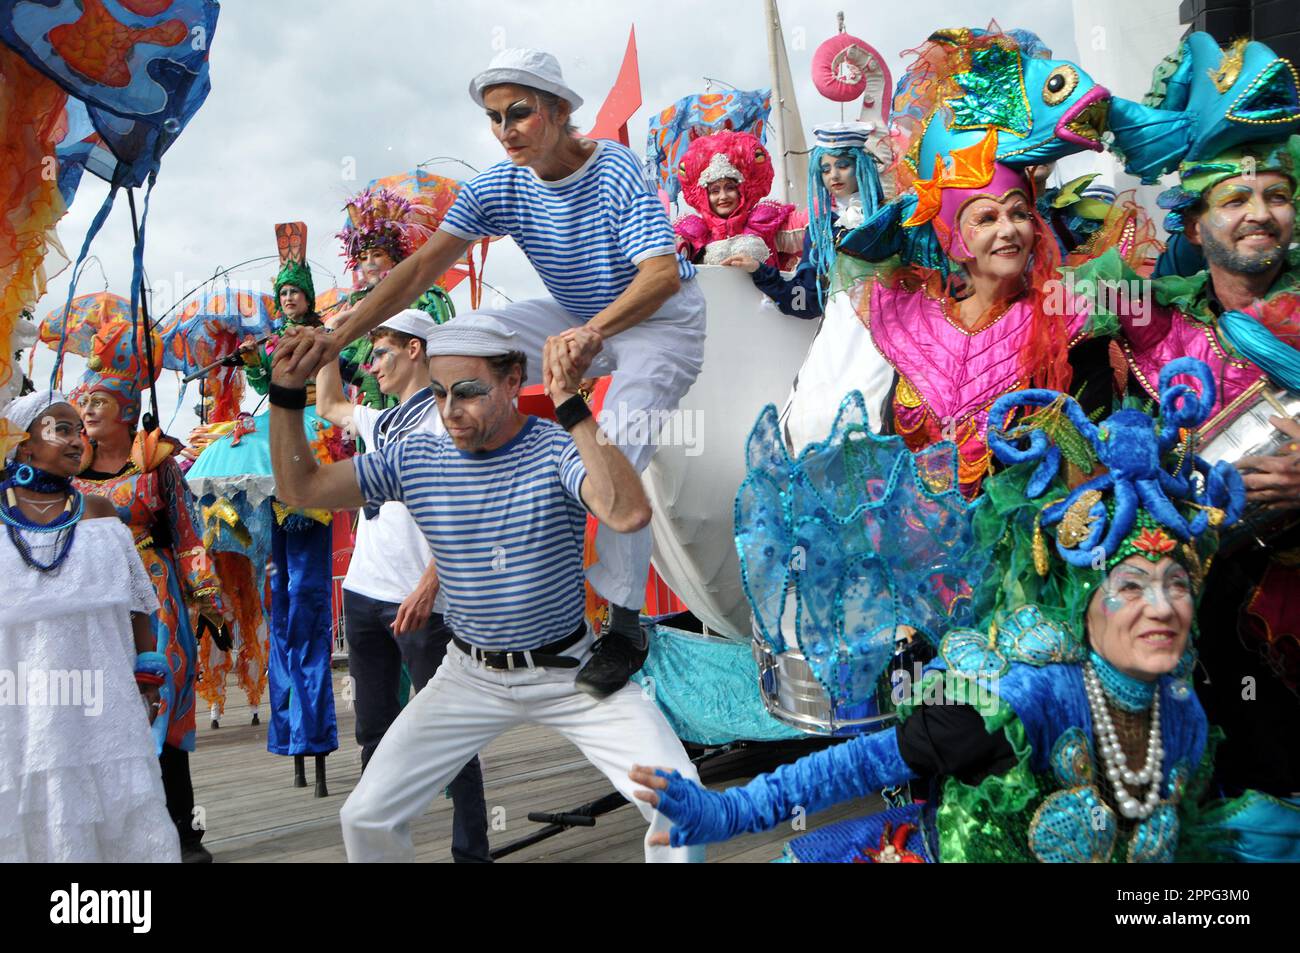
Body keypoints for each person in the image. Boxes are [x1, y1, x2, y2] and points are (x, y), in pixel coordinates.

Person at [631, 358, 1247, 862]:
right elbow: (866, 763)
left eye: (1177, 583)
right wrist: (728, 812)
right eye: (1133, 585)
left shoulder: (1186, 718)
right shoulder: (1020, 697)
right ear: (1084, 601)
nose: (1161, 606)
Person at [297, 48, 707, 699]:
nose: (505, 128)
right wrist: (334, 335)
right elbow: (420, 270)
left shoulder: (616, 170)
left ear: (558, 111)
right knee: (464, 336)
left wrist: (591, 333)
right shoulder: (499, 187)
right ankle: (449, 445)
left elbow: (658, 275)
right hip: (577, 312)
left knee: (614, 443)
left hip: (659, 318)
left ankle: (625, 627)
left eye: (518, 112)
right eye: (494, 117)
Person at [268, 314, 704, 862]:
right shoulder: (416, 456)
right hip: (469, 674)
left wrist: (572, 405)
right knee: (364, 816)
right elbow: (301, 485)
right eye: (439, 393)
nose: (450, 411)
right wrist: (286, 396)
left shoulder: (553, 449)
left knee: (681, 803)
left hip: (567, 670)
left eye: (469, 392)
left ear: (512, 380)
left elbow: (629, 511)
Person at [1079, 35, 1300, 859]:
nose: (1259, 213)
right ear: (1195, 217)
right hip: (1201, 649)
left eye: (1277, 193)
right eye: (1234, 195)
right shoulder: (1148, 320)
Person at [837, 28, 1121, 496]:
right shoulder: (912, 326)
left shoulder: (1070, 323)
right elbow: (892, 456)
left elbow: (1090, 467)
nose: (1008, 230)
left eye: (1019, 214)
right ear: (950, 236)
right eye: (986, 218)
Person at [313, 309, 491, 863]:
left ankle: (471, 854)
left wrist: (430, 584)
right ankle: (382, 847)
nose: (373, 365)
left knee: (449, 733)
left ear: (416, 350)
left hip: (422, 599)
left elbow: (469, 513)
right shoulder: (380, 420)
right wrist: (329, 340)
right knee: (373, 729)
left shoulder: (446, 420)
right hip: (364, 592)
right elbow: (327, 405)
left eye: (382, 350)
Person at [187, 238, 346, 795]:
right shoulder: (272, 340)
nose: (288, 298)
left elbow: (333, 400)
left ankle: (312, 735)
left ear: (307, 297)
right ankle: (291, 735)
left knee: (303, 608)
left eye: (294, 291)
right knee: (283, 610)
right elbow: (265, 390)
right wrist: (255, 363)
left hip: (314, 453)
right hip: (274, 450)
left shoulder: (330, 337)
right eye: (282, 292)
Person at [70, 315, 231, 863]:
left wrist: (206, 598)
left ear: (125, 409)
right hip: (98, 601)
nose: (87, 412)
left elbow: (188, 535)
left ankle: (182, 833)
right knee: (104, 714)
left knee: (160, 706)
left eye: (98, 402)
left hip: (157, 596)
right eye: (84, 403)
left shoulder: (158, 466)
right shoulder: (72, 474)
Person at [0, 391, 179, 862]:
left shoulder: (98, 513)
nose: (77, 439)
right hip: (20, 697)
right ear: (23, 446)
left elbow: (139, 604)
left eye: (78, 428)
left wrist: (147, 674)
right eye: (59, 429)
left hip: (101, 690)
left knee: (113, 800)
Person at [720, 122, 891, 451]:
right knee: (811, 421)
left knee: (878, 413)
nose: (834, 176)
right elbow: (808, 298)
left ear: (861, 165)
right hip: (837, 338)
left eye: (843, 164)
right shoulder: (822, 229)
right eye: (825, 168)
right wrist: (762, 273)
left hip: (886, 333)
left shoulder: (892, 217)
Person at [334, 185, 455, 411]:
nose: (369, 263)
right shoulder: (355, 305)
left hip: (419, 402)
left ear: (395, 259)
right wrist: (333, 331)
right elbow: (350, 365)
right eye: (363, 256)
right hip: (374, 409)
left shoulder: (425, 296)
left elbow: (440, 351)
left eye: (377, 255)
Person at [672, 129, 796, 267]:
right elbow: (667, 260)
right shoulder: (694, 233)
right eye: (714, 191)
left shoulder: (765, 222)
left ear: (741, 191)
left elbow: (811, 229)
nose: (723, 196)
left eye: (730, 188)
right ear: (704, 196)